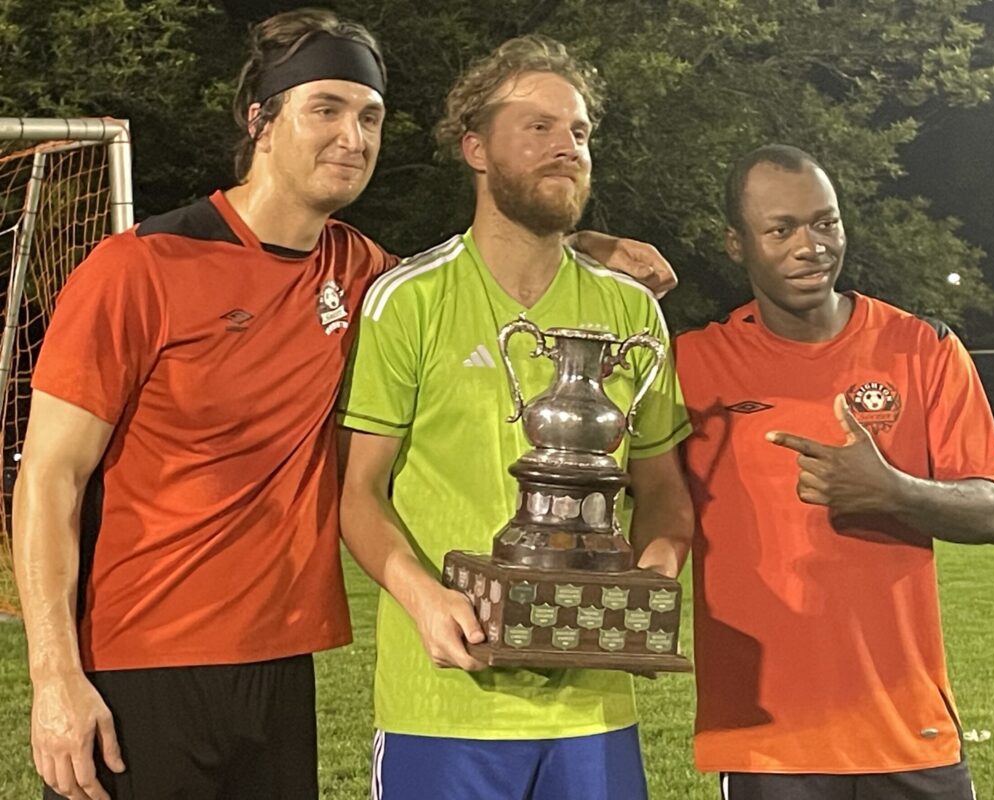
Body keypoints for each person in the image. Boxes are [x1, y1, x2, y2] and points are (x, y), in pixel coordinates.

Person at [12, 10, 673, 800]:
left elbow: (486, 259)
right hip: (141, 664)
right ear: (260, 119)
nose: (352, 137)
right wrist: (53, 676)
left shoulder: (358, 273)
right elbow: (49, 475)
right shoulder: (139, 268)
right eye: (324, 108)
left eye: (369, 117)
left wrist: (584, 245)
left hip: (283, 668)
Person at [338, 35, 695, 800]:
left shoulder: (631, 310)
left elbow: (664, 492)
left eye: (578, 132)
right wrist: (423, 599)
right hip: (443, 708)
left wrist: (645, 590)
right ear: (475, 146)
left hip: (593, 715)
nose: (565, 147)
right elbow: (359, 493)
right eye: (536, 127)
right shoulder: (411, 300)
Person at [674, 144, 994, 800]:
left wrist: (893, 489)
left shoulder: (922, 348)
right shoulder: (693, 365)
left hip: (909, 730)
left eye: (824, 223)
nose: (811, 246)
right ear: (736, 244)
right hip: (769, 742)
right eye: (781, 229)